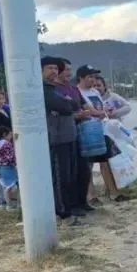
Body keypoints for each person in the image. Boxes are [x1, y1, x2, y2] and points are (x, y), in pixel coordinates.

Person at [42, 56, 88, 223]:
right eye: (50, 68)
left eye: (56, 68)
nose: (54, 71)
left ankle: (70, 207)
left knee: (69, 175)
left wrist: (68, 105)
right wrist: (67, 104)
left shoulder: (55, 89)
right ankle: (63, 212)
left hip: (69, 137)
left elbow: (73, 105)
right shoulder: (44, 90)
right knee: (60, 177)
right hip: (56, 139)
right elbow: (66, 106)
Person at [76, 65, 130, 204]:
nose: (93, 80)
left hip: (101, 130)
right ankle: (91, 196)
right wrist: (98, 113)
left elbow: (101, 109)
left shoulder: (94, 92)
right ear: (81, 77)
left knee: (105, 162)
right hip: (86, 132)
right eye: (90, 77)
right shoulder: (77, 92)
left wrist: (105, 112)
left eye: (94, 77)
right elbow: (87, 111)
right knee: (88, 165)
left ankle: (113, 192)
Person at [0, 125, 18, 210]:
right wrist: (15, 162)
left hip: (1, 167)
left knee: (6, 186)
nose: (11, 137)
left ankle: (7, 204)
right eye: (10, 135)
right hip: (8, 167)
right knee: (12, 186)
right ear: (4, 134)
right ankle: (11, 204)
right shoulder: (6, 144)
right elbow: (10, 156)